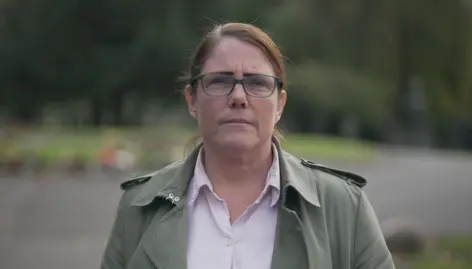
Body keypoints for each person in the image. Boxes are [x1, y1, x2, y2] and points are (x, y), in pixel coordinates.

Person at [100, 22, 395, 269]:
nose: (238, 97)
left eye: (256, 83)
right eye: (219, 81)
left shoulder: (343, 208)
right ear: (192, 99)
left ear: (280, 103)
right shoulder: (139, 207)